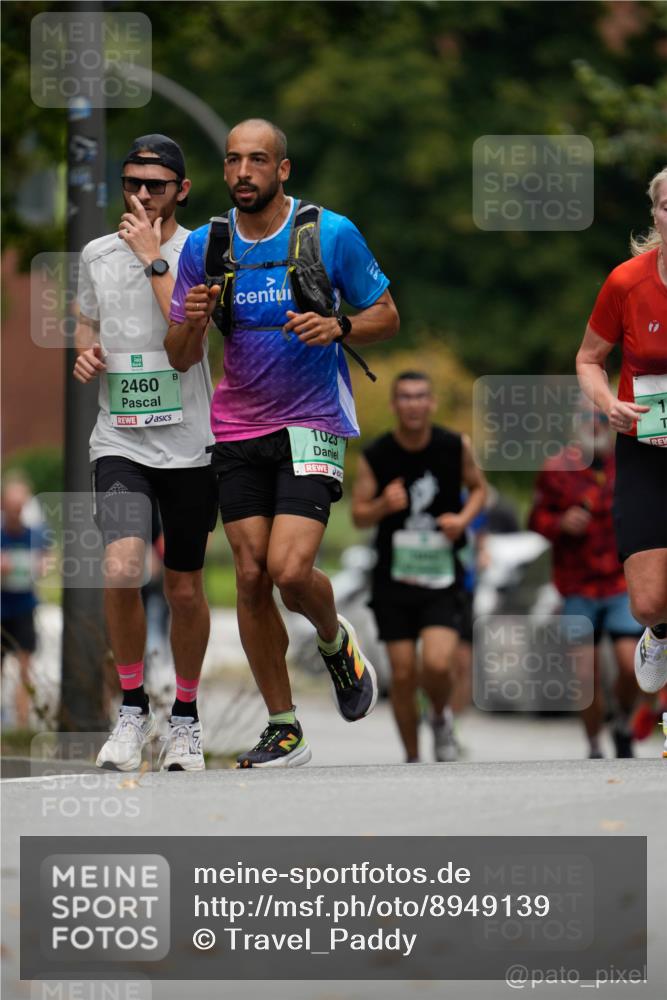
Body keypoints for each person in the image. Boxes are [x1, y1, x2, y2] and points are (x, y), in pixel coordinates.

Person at [166, 118, 399, 768]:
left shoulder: (328, 233)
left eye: (258, 160)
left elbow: (386, 315)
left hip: (311, 421)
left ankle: (334, 641)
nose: (244, 172)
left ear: (282, 170)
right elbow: (180, 357)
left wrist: (338, 323)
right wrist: (188, 324)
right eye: (234, 161)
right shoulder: (206, 247)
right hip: (237, 427)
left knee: (289, 572)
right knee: (248, 577)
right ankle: (284, 726)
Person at [73, 134, 217, 772]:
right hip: (120, 439)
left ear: (181, 190)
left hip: (190, 444)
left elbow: (188, 336)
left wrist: (154, 257)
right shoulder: (97, 254)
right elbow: (87, 319)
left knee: (184, 589)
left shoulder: (201, 251)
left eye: (155, 185)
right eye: (132, 182)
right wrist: (84, 350)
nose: (141, 194)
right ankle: (131, 706)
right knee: (122, 566)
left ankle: (184, 717)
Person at [576, 166, 667, 756]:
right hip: (644, 451)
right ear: (655, 214)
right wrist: (609, 402)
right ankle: (657, 633)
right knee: (650, 600)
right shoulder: (627, 282)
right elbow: (589, 358)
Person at [351, 371, 487, 763]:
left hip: (441, 575)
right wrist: (381, 506)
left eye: (420, 396)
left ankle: (442, 718)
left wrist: (462, 520)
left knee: (438, 663)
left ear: (432, 404)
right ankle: (413, 759)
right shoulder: (377, 455)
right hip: (394, 579)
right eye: (405, 397)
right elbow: (359, 515)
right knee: (404, 673)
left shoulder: (452, 445)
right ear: (395, 405)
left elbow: (479, 488)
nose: (413, 404)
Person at [528, 407, 641, 758]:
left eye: (602, 421)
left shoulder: (629, 465)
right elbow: (535, 518)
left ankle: (622, 721)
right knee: (586, 673)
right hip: (576, 584)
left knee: (629, 664)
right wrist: (560, 523)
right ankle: (593, 743)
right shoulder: (556, 468)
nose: (594, 427)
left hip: (621, 580)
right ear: (576, 426)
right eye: (587, 420)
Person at [1, 476, 49, 728]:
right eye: (11, 506)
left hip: (24, 607)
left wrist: (41, 564)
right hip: (1, 606)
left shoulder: (36, 533)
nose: (15, 512)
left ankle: (22, 724)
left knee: (24, 668)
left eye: (20, 507)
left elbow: (47, 560)